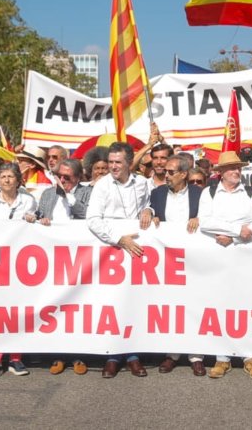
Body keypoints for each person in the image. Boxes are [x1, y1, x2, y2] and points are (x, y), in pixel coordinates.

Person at [197, 150, 252, 380]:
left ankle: (249, 356)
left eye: (237, 167)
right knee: (220, 305)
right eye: (231, 168)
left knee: (246, 304)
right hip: (218, 257)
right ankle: (222, 358)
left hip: (245, 256)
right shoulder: (209, 192)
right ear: (220, 173)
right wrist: (238, 229)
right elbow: (206, 222)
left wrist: (237, 236)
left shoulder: (249, 192)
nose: (236, 171)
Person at [85, 141, 150, 378]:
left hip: (135, 250)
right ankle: (112, 356)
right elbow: (93, 219)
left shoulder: (142, 183)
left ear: (129, 163)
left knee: (133, 303)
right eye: (110, 162)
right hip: (111, 249)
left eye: (117, 162)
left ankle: (133, 355)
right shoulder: (102, 186)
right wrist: (118, 239)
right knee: (112, 304)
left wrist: (149, 211)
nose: (113, 166)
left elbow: (148, 206)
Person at [145, 154, 206, 376]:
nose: (166, 175)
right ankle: (172, 354)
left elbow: (212, 216)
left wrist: (201, 218)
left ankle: (196, 355)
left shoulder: (201, 194)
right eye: (165, 172)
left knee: (194, 304)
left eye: (171, 172)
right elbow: (151, 208)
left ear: (184, 174)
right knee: (172, 306)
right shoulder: (157, 193)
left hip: (195, 260)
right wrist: (149, 212)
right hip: (168, 262)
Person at [31, 159, 92, 377]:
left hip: (79, 257)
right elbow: (40, 214)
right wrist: (36, 218)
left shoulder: (88, 192)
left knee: (76, 306)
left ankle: (79, 354)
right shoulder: (48, 193)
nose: (63, 180)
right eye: (60, 176)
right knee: (55, 305)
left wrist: (68, 195)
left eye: (67, 177)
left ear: (78, 177)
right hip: (52, 257)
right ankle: (58, 354)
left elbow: (86, 214)